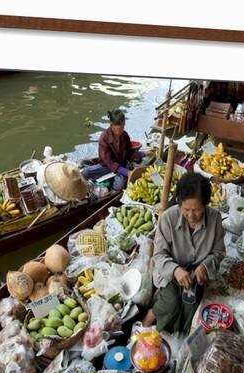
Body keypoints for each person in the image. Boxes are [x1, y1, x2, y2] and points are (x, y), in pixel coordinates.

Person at [145, 172, 226, 334]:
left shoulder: (215, 218)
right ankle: (152, 315)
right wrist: (175, 270)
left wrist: (205, 265)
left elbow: (219, 252)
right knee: (171, 303)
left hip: (196, 273)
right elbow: (159, 255)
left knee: (191, 305)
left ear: (205, 205)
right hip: (170, 270)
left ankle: (178, 335)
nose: (191, 215)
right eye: (186, 209)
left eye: (197, 210)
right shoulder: (168, 218)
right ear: (179, 204)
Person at [81, 109, 141, 191]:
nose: (122, 130)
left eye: (124, 126)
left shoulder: (125, 135)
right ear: (112, 125)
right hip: (106, 166)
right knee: (85, 172)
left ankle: (111, 192)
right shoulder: (104, 138)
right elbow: (109, 162)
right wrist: (127, 173)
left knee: (118, 186)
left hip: (121, 165)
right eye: (120, 128)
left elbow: (129, 153)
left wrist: (143, 154)